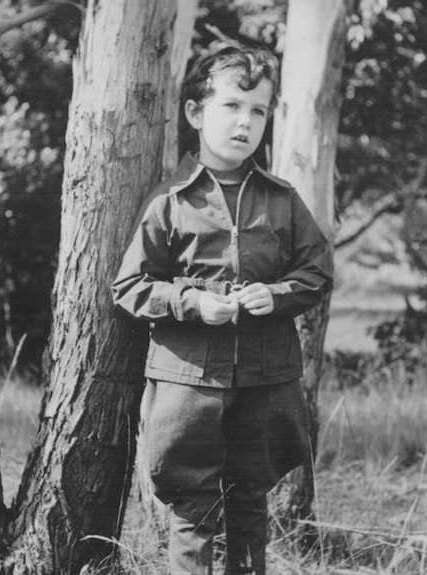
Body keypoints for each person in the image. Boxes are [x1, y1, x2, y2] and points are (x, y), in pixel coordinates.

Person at [112, 45, 333, 575]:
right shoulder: (169, 200)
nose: (245, 122)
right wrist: (190, 303)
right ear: (194, 113)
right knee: (192, 504)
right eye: (232, 106)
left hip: (266, 377)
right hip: (189, 378)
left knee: (251, 494)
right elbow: (130, 285)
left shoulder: (283, 200)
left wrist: (275, 295)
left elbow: (317, 272)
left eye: (258, 111)